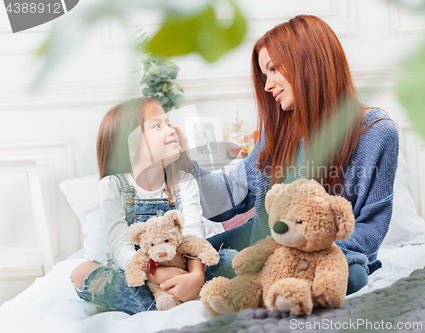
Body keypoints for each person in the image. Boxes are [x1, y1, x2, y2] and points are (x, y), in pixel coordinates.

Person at [180, 15, 399, 295]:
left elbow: (370, 229)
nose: (267, 85)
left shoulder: (377, 132)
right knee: (187, 255)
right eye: (264, 75)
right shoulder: (279, 132)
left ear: (307, 62)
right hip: (262, 240)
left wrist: (299, 255)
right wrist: (184, 165)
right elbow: (227, 198)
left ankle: (265, 280)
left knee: (352, 274)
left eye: (273, 69)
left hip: (329, 253)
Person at [71, 97, 210, 314]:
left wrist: (196, 276)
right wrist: (156, 274)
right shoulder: (112, 185)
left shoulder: (184, 181)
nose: (172, 129)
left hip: (182, 267)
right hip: (138, 273)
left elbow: (194, 234)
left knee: (230, 258)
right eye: (157, 125)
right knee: (82, 272)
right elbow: (120, 246)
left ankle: (178, 296)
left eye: (168, 122)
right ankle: (174, 298)